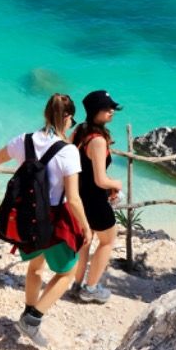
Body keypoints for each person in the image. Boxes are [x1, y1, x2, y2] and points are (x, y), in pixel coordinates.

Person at [0, 93, 90, 347]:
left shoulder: (23, 140)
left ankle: (28, 310)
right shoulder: (69, 152)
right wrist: (86, 226)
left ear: (45, 114)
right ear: (68, 117)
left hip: (26, 217)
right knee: (66, 273)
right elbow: (73, 199)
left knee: (35, 267)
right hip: (54, 219)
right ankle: (33, 319)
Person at [70, 90, 123, 303]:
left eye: (112, 107)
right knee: (108, 241)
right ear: (94, 111)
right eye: (106, 108)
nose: (111, 111)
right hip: (95, 201)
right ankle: (91, 289)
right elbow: (101, 179)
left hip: (79, 197)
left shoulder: (79, 131)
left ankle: (77, 284)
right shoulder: (98, 141)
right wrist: (116, 184)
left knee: (85, 241)